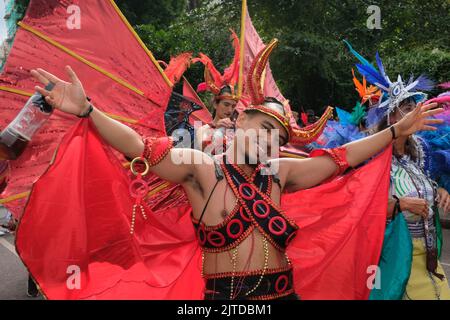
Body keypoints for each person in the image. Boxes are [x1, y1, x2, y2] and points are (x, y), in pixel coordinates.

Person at [27, 40, 442, 300]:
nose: (267, 141)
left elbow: (340, 159)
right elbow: (139, 147)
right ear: (240, 122)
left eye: (277, 137)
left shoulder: (280, 174)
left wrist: (392, 131)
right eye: (262, 128)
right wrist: (87, 109)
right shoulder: (202, 171)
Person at [350, 44, 450, 300]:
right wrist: (399, 204)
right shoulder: (369, 156)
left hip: (428, 256)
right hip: (390, 255)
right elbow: (356, 208)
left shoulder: (421, 153)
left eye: (414, 106)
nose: (414, 112)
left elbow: (429, 180)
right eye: (406, 108)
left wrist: (440, 190)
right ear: (392, 117)